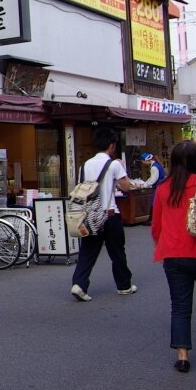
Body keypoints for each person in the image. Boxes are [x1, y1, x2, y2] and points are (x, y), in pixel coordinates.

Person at [150, 140, 196, 373]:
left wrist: (163, 245)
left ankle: (183, 356)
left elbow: (156, 226)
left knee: (180, 306)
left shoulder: (164, 188)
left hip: (173, 253)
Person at [71, 127, 137, 301]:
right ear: (111, 145)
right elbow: (126, 187)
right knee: (117, 252)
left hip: (90, 216)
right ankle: (124, 285)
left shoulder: (84, 166)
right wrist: (122, 169)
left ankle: (79, 284)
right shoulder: (114, 164)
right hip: (110, 214)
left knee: (87, 251)